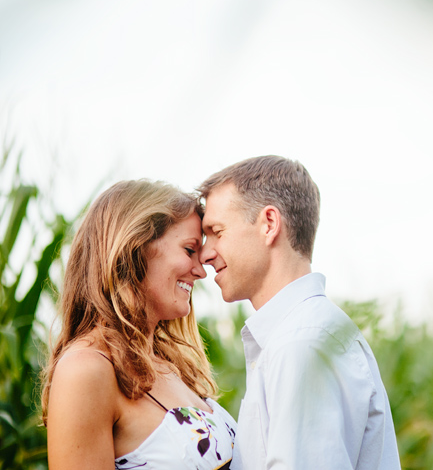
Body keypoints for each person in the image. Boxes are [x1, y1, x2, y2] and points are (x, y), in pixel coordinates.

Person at [198, 155, 402, 470]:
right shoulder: (304, 333)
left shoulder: (300, 343)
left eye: (217, 231)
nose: (205, 253)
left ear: (269, 224)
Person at [41, 180, 236, 470]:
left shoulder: (169, 364)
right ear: (134, 248)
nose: (200, 271)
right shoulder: (86, 369)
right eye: (189, 250)